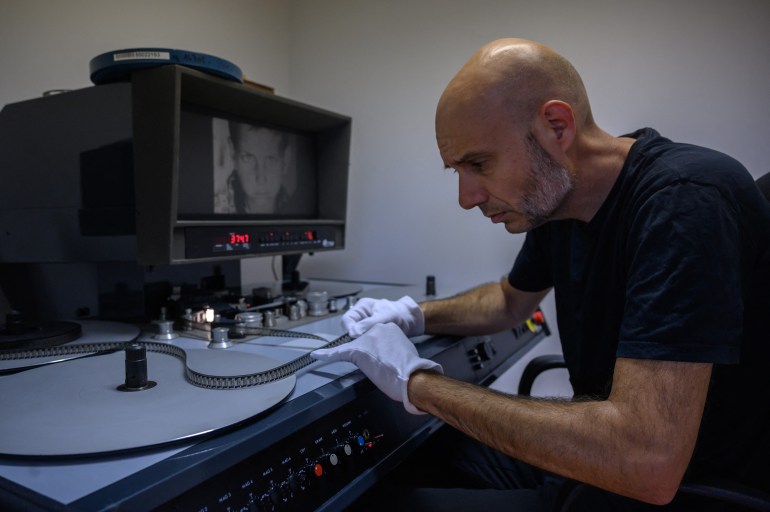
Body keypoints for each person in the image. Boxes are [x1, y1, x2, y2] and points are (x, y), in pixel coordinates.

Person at [311, 38, 770, 511]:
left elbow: (646, 459)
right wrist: (411, 315)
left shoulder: (684, 201)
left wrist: (418, 383)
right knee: (401, 460)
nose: (467, 197)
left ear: (556, 125)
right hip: (602, 460)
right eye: (456, 172)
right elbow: (510, 301)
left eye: (479, 164)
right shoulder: (560, 204)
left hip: (677, 486)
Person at [223, 120, 292, 214]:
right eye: (247, 157)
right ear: (232, 153)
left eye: (271, 159)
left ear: (286, 159)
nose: (261, 179)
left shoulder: (296, 206)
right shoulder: (217, 208)